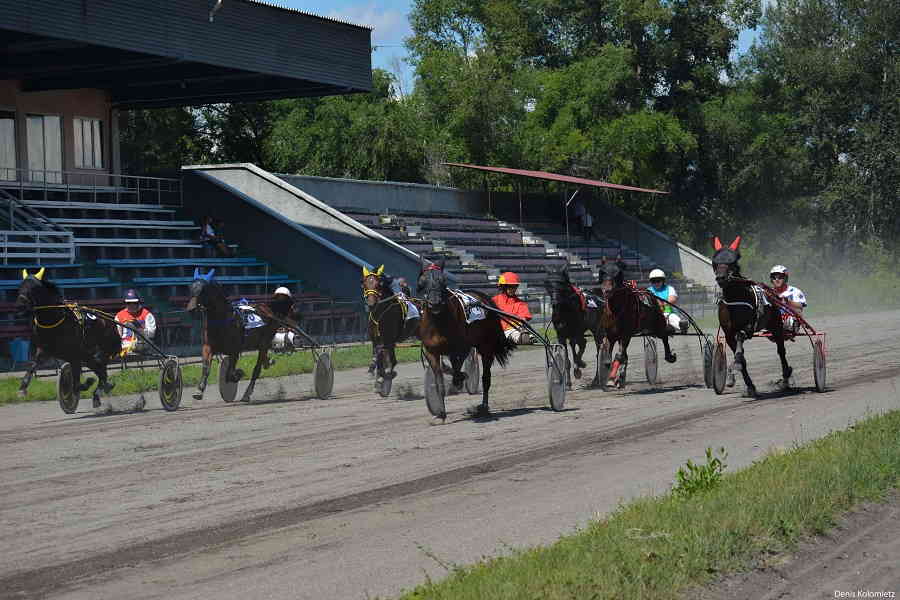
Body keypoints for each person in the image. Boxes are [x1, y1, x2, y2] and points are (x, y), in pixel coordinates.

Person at [491, 272, 533, 344]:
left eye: (515, 286)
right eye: (510, 286)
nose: (513, 289)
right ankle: (524, 337)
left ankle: (525, 336)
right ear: (503, 287)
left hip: (515, 329)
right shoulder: (494, 301)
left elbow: (524, 318)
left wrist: (522, 323)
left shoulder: (520, 303)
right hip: (498, 331)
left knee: (518, 332)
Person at [115, 289, 157, 355]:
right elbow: (118, 334)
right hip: (125, 344)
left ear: (138, 303)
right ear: (125, 303)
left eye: (134, 303)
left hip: (142, 343)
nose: (131, 305)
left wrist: (141, 331)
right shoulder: (119, 315)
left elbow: (152, 333)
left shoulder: (146, 314)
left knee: (139, 344)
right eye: (129, 303)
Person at [648, 269, 688, 334]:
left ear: (663, 281)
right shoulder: (648, 290)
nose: (656, 283)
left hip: (668, 314)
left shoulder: (669, 288)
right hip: (654, 316)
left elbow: (672, 299)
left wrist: (661, 304)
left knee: (673, 318)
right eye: (653, 281)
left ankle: (682, 326)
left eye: (658, 281)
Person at [769, 265, 807, 334]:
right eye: (774, 278)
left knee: (798, 311)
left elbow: (801, 306)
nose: (777, 280)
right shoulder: (768, 292)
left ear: (785, 278)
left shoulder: (795, 291)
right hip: (773, 323)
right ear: (771, 280)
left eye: (780, 277)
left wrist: (788, 302)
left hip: (790, 324)